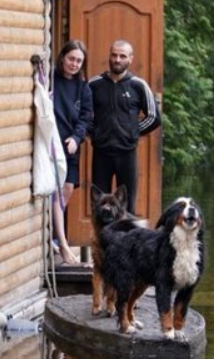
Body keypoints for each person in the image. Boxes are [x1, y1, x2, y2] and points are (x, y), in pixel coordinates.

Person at [89, 39, 161, 214]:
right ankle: (102, 241)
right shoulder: (94, 84)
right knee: (99, 206)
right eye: (114, 55)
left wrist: (132, 133)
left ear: (130, 59)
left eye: (122, 56)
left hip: (127, 153)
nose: (117, 60)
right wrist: (95, 133)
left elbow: (154, 117)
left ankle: (127, 240)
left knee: (127, 206)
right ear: (109, 56)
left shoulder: (138, 85)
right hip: (101, 152)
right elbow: (82, 114)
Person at [51, 40, 92, 264]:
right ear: (62, 58)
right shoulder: (51, 80)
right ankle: (61, 243)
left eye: (79, 61)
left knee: (67, 189)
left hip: (71, 145)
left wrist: (77, 138)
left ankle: (51, 232)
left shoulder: (83, 88)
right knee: (56, 191)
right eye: (71, 59)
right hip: (53, 144)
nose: (74, 64)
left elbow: (86, 118)